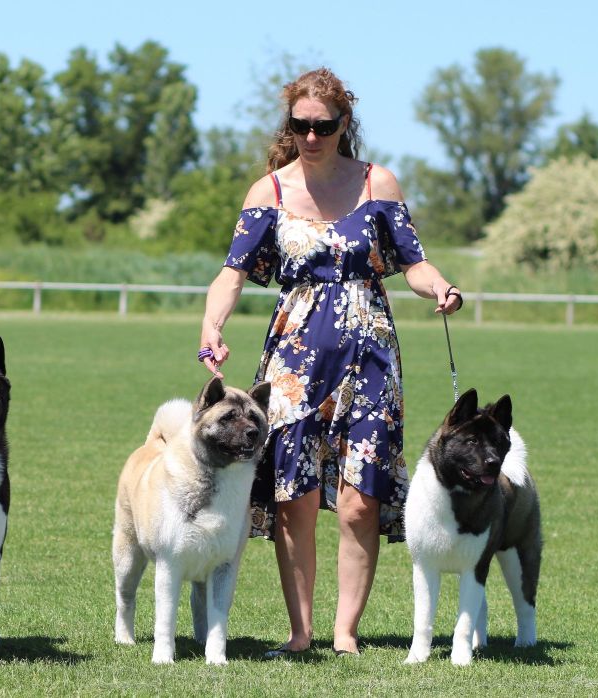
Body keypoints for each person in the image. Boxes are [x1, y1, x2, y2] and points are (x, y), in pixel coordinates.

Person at [198, 68, 462, 657]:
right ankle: (300, 634)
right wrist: (212, 326)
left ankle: (345, 633)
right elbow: (232, 273)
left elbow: (413, 263)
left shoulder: (378, 184)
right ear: (289, 125)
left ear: (345, 124)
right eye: (301, 126)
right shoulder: (267, 191)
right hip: (292, 360)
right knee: (294, 496)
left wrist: (440, 286)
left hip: (370, 355)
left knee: (360, 496)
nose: (312, 137)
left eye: (324, 126)